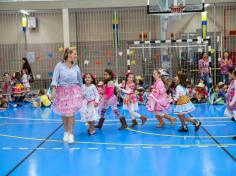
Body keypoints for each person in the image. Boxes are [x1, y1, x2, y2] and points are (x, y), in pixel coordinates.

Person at [51, 47, 83, 144]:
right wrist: (53, 90)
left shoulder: (76, 67)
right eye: (74, 54)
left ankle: (71, 134)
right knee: (64, 113)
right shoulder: (59, 66)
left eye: (76, 54)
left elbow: (80, 81)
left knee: (71, 113)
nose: (76, 56)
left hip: (74, 92)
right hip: (62, 92)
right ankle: (66, 132)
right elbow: (55, 79)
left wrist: (82, 92)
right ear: (68, 54)